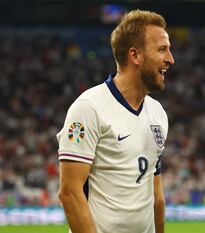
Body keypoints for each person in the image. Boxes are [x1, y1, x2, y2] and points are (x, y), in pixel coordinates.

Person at [57, 9, 174, 233]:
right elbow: (70, 193)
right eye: (162, 50)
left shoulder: (158, 113)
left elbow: (156, 196)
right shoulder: (89, 108)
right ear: (135, 55)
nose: (170, 59)